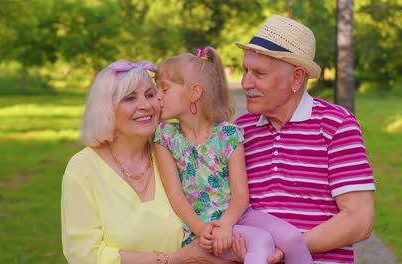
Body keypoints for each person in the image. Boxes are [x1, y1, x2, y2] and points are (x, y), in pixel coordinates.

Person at [234, 15, 376, 263]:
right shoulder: (239, 131)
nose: (246, 82)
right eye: (246, 70)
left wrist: (288, 249)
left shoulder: (336, 125)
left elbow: (359, 219)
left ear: (297, 79)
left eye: (259, 73)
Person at [153, 46, 313, 264]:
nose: (157, 98)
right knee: (261, 241)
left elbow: (240, 194)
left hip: (238, 217)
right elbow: (175, 195)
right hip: (202, 225)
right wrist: (203, 231)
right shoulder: (166, 137)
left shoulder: (228, 135)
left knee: (293, 238)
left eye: (164, 90)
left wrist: (227, 223)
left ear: (194, 93)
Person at [61, 60, 230, 264]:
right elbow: (85, 256)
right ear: (106, 108)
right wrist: (173, 259)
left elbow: (219, 205)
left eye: (150, 95)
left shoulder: (175, 152)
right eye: (130, 98)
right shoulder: (83, 168)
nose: (145, 105)